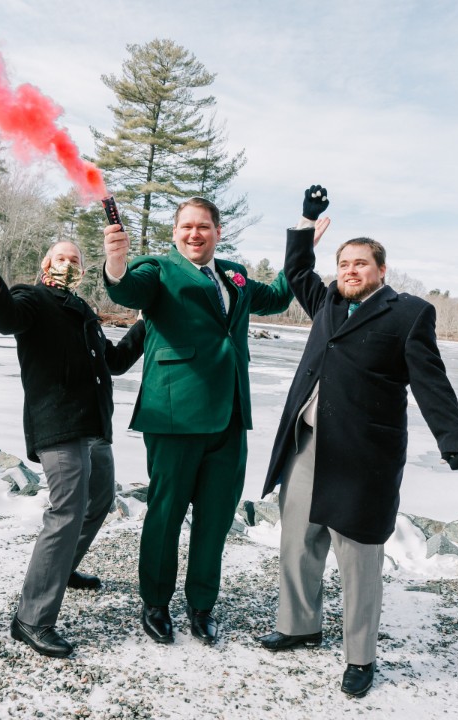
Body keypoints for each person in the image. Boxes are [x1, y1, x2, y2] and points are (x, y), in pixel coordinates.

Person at [258, 185, 458, 697]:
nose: (350, 271)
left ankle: (360, 657)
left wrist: (453, 438)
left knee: (358, 558)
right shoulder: (327, 300)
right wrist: (306, 222)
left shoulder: (408, 313)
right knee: (298, 542)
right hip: (306, 442)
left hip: (363, 456)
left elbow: (431, 380)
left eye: (360, 264)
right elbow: (295, 273)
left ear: (381, 270)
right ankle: (299, 625)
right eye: (344, 263)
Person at [102, 197, 294, 645]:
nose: (194, 233)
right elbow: (126, 289)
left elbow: (279, 295)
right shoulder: (158, 271)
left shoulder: (234, 274)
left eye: (203, 226)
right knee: (166, 515)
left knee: (216, 518)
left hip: (230, 417)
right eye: (186, 226)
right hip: (174, 416)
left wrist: (300, 243)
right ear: (174, 233)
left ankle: (202, 604)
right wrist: (115, 264)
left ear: (217, 231)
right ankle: (155, 602)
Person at [0, 231, 145, 658]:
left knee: (98, 501)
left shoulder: (82, 309)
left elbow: (113, 363)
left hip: (94, 425)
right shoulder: (33, 299)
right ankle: (32, 618)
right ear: (46, 265)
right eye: (60, 257)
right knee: (66, 511)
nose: (68, 264)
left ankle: (62, 567)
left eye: (75, 259)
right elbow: (5, 316)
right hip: (59, 424)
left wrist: (143, 324)